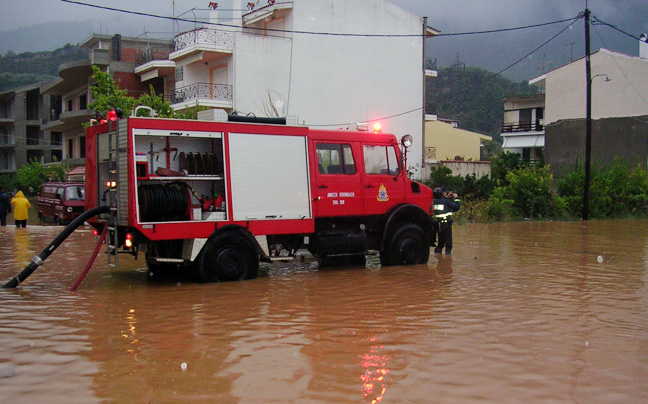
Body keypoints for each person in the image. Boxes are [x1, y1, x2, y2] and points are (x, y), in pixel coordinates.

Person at [433, 187, 461, 255]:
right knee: (448, 245)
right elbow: (457, 207)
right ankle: (447, 260)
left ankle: (438, 256)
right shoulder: (446, 201)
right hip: (446, 225)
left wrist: (447, 198)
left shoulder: (434, 201)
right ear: (443, 193)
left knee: (440, 244)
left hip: (439, 225)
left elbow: (445, 207)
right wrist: (456, 198)